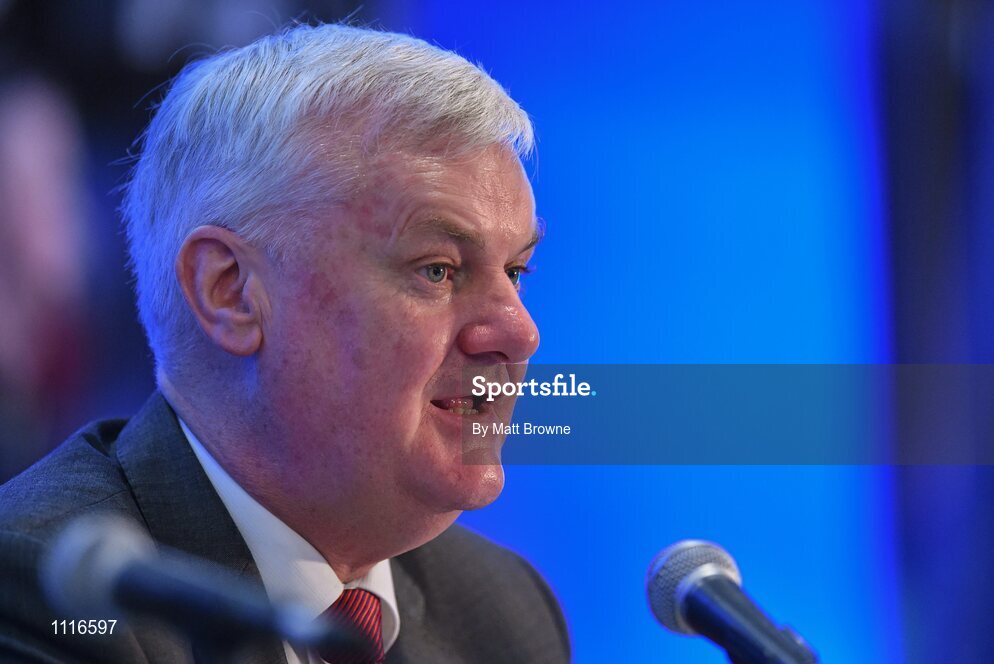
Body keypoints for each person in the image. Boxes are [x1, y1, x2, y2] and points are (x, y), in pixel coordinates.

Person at [0, 23, 570, 664]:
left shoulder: (503, 612)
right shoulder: (48, 597)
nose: (520, 332)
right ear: (231, 292)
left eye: (516, 273)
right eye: (437, 268)